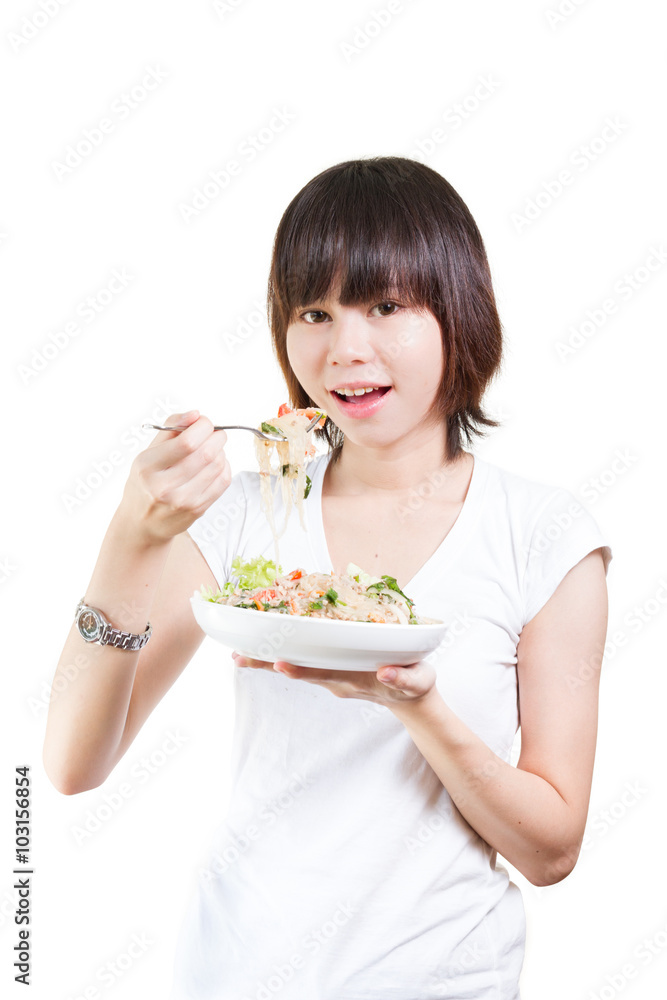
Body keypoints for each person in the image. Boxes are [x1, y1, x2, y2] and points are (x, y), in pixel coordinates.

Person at [43, 156, 612, 999]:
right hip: (234, 972)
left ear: (458, 312)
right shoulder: (249, 514)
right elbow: (70, 763)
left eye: (385, 306)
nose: (345, 350)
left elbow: (551, 850)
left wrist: (415, 704)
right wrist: (132, 534)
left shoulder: (543, 535)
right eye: (314, 311)